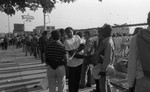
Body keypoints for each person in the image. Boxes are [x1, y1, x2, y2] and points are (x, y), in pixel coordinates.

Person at [128, 12, 150, 92]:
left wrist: (130, 85)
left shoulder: (137, 38)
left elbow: (132, 64)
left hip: (143, 80)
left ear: (147, 20)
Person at [64, 27, 86, 92]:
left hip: (80, 63)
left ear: (72, 31)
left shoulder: (77, 37)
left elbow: (82, 46)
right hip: (72, 65)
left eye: (70, 31)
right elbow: (72, 54)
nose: (69, 33)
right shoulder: (66, 41)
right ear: (66, 33)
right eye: (67, 32)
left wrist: (75, 50)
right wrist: (84, 56)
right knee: (71, 81)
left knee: (77, 79)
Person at [98, 24, 115, 92]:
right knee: (106, 83)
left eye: (103, 30)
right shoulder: (107, 40)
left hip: (104, 66)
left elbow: (107, 57)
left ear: (106, 31)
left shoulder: (108, 42)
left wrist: (103, 70)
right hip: (106, 66)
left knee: (103, 84)